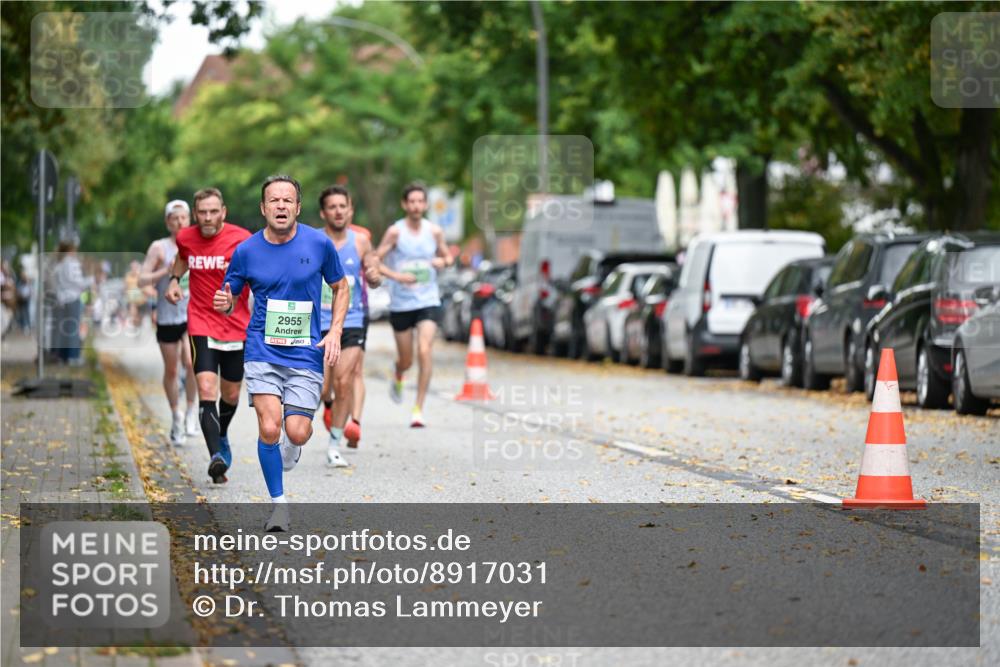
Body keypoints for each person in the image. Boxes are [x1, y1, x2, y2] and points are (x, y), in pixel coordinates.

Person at [215, 175, 348, 531]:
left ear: (298, 208)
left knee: (297, 432)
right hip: (262, 349)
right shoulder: (246, 251)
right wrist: (226, 303)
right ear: (263, 208)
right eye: (274, 201)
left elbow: (341, 286)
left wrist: (334, 330)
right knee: (270, 427)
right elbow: (231, 297)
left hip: (305, 352)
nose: (281, 206)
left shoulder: (319, 244)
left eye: (287, 200)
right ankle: (279, 505)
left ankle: (294, 445)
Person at [165, 188, 251, 484]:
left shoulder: (242, 239)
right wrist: (174, 280)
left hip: (236, 323)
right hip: (200, 320)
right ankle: (216, 457)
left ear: (223, 212)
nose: (208, 217)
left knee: (231, 393)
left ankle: (222, 435)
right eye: (202, 212)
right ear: (195, 212)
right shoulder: (186, 237)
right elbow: (181, 258)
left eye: (214, 211)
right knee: (205, 387)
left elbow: (258, 272)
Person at [375, 182, 453, 427]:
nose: (417, 206)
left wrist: (443, 261)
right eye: (412, 202)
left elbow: (448, 255)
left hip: (428, 300)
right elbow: (376, 260)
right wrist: (397, 277)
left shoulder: (435, 231)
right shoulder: (395, 232)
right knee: (407, 359)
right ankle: (399, 372)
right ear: (404, 204)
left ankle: (418, 408)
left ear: (426, 204)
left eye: (421, 201)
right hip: (401, 303)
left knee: (425, 349)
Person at [317, 185, 381, 467]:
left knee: (345, 381)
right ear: (323, 212)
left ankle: (334, 444)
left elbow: (374, 272)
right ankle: (328, 406)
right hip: (317, 322)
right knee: (321, 389)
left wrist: (375, 275)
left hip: (351, 320)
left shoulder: (361, 241)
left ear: (350, 210)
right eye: (332, 206)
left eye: (343, 206)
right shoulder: (313, 241)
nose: (338, 211)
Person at [140, 200, 199, 446]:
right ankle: (176, 414)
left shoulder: (197, 243)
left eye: (183, 217)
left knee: (192, 362)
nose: (179, 222)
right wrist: (165, 272)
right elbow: (141, 280)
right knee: (172, 370)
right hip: (167, 317)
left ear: (190, 219)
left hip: (192, 315)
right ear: (167, 222)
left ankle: (191, 411)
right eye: (174, 218)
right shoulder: (159, 248)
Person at [51, 238, 92, 365]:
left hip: (61, 299)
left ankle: (62, 356)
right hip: (73, 298)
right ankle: (73, 356)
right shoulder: (72, 263)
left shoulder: (58, 264)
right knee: (73, 328)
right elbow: (78, 282)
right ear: (70, 250)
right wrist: (91, 280)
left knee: (63, 329)